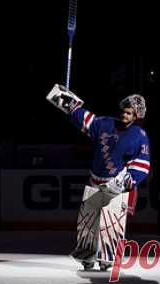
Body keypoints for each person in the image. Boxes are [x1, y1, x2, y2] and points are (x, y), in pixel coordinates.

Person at [46, 84, 151, 270]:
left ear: (136, 116)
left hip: (116, 184)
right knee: (87, 221)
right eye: (123, 111)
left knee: (111, 223)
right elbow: (85, 119)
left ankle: (106, 259)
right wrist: (70, 104)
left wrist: (130, 179)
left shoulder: (139, 136)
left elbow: (142, 163)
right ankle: (87, 255)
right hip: (94, 180)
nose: (124, 115)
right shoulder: (104, 123)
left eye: (129, 113)